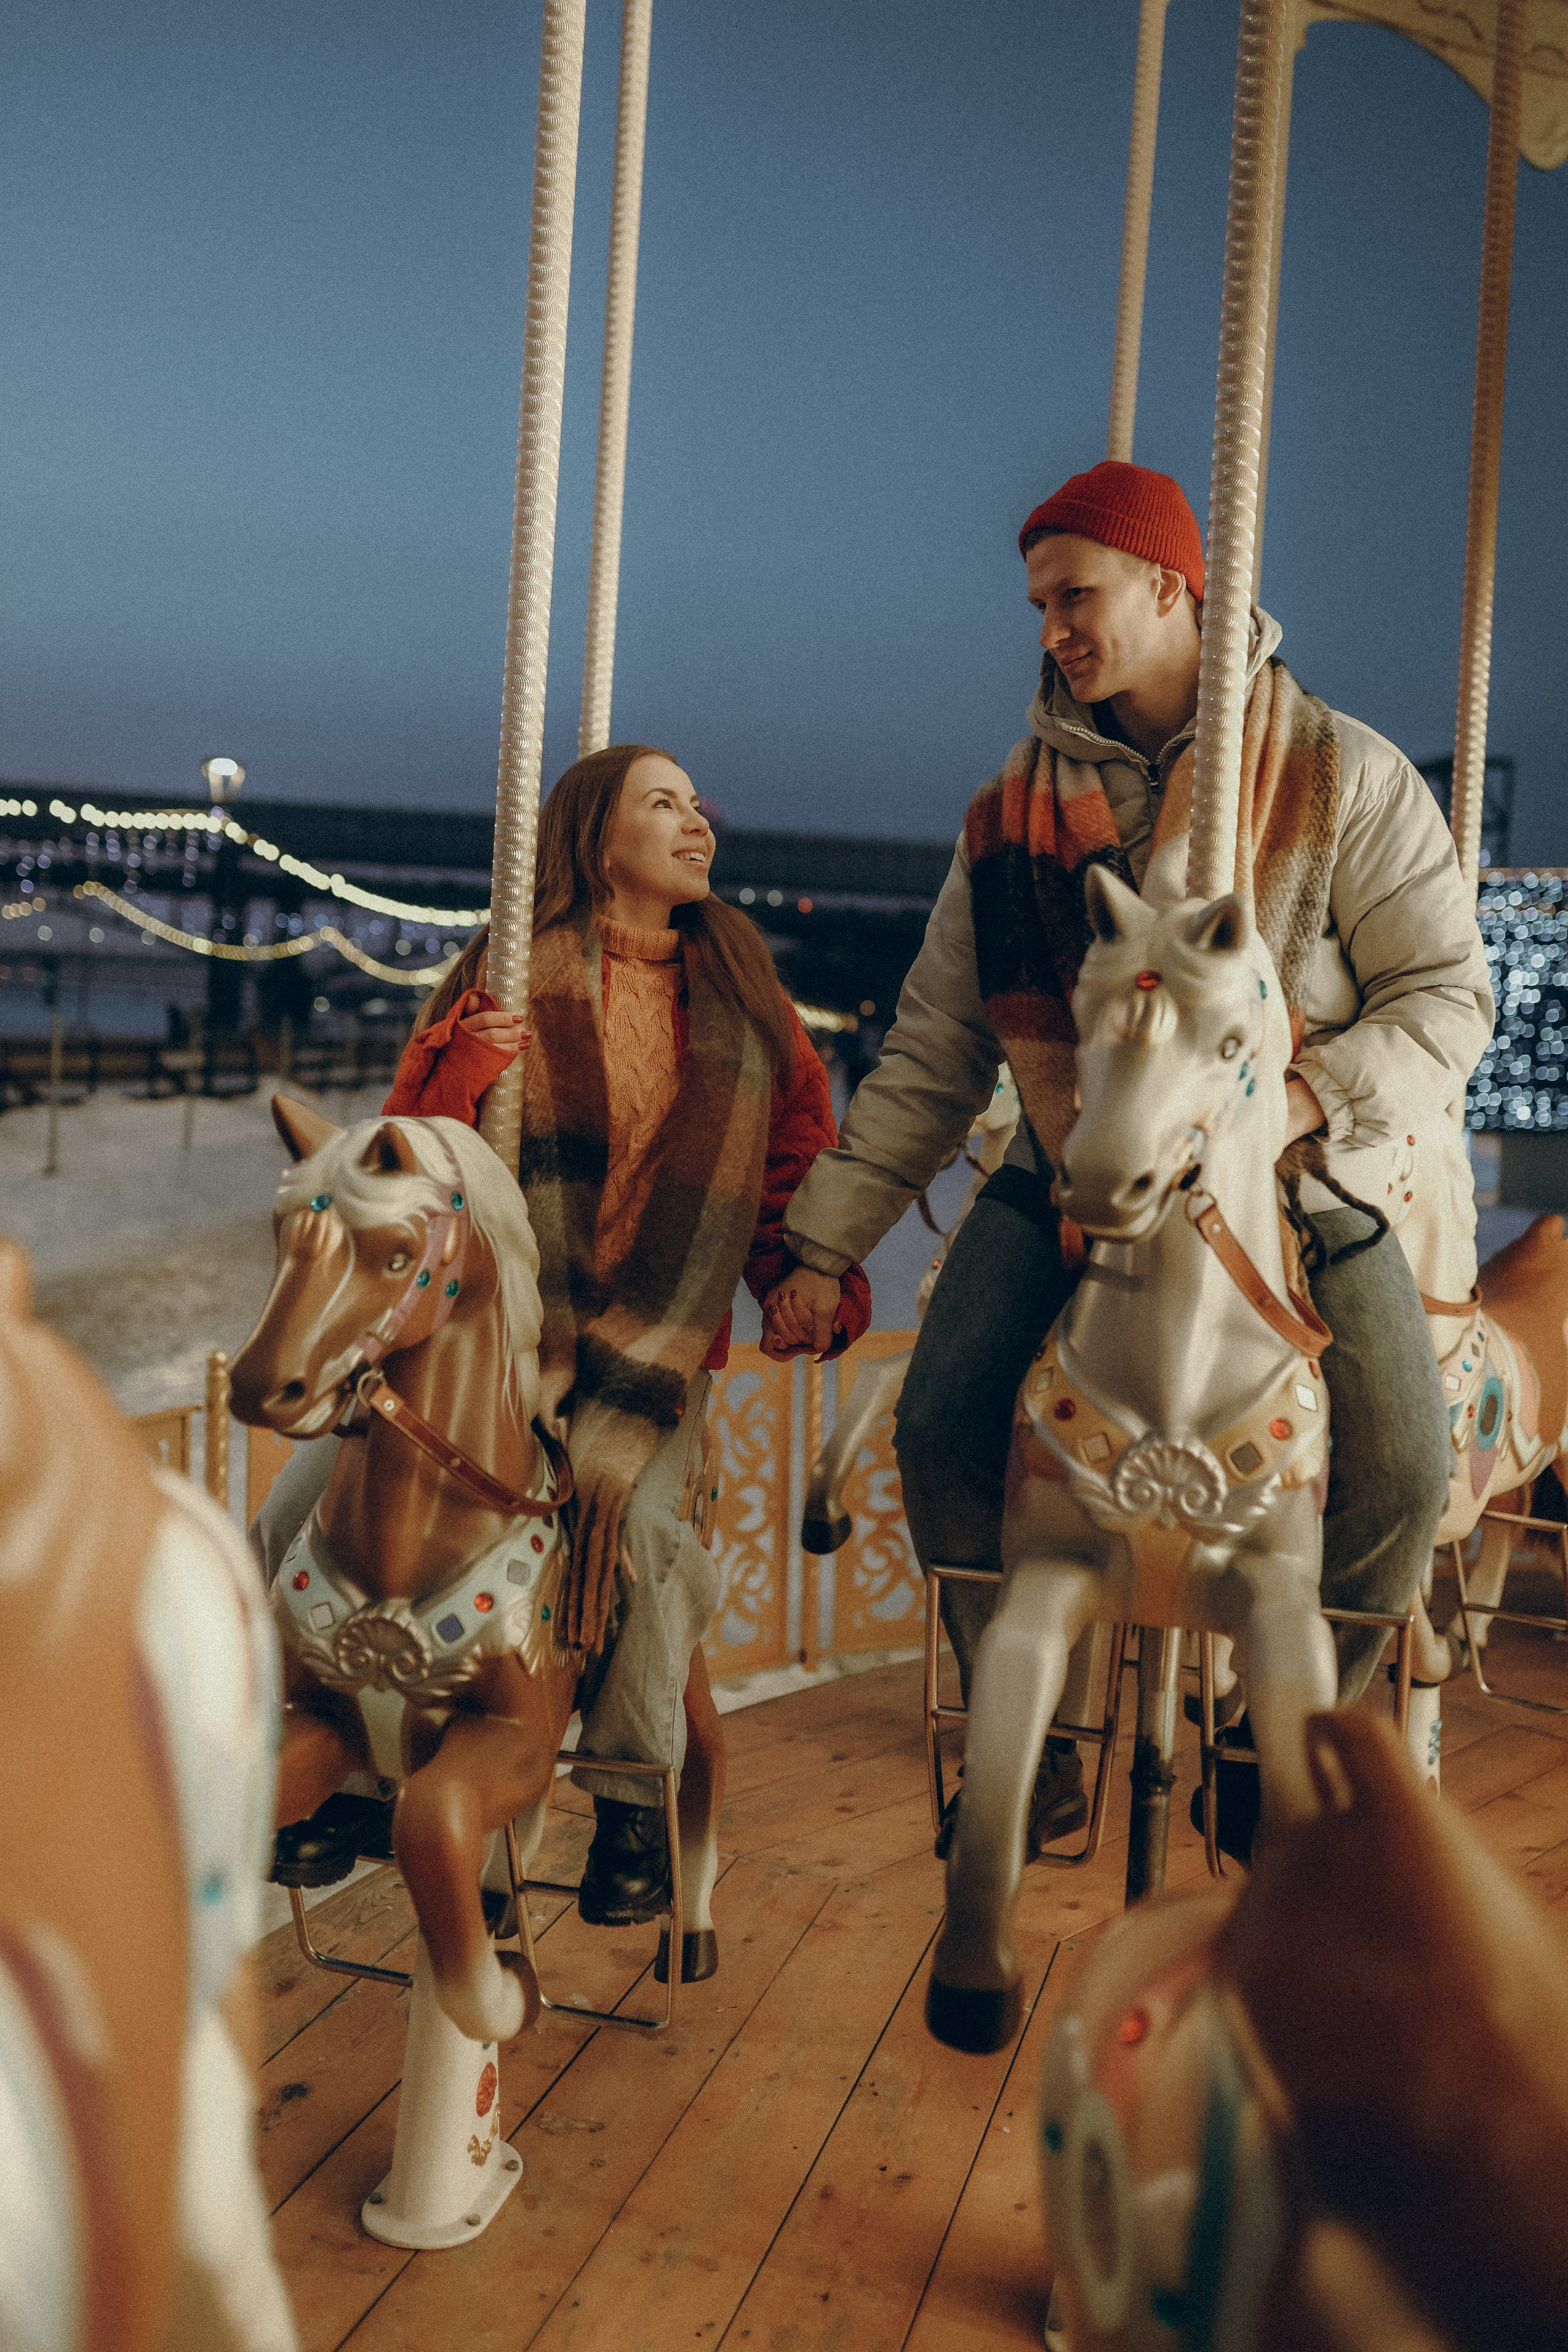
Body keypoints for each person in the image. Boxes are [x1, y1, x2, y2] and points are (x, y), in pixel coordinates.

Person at [763, 460, 1493, 1860]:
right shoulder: (1008, 819)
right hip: (1070, 1162)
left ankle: (1288, 1739)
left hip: (1286, 1178)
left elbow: (1445, 1000)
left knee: (1401, 1464)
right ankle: (1013, 1726)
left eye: (1074, 595)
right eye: (1038, 603)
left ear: (1171, 587)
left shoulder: (1344, 774)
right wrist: (821, 1241)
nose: (1050, 628)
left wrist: (1301, 1101)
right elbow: (934, 1044)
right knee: (936, 1422)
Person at [375, 743, 870, 1924]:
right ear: (599, 840)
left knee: (640, 1527)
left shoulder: (750, 1000)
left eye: (702, 805)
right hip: (505, 1330)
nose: (699, 824)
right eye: (666, 805)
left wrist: (802, 1280)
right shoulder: (502, 973)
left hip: (653, 1344)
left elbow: (788, 1163)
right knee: (331, 1491)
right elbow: (407, 1153)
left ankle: (630, 1792)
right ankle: (343, 1735)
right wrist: (461, 1071)